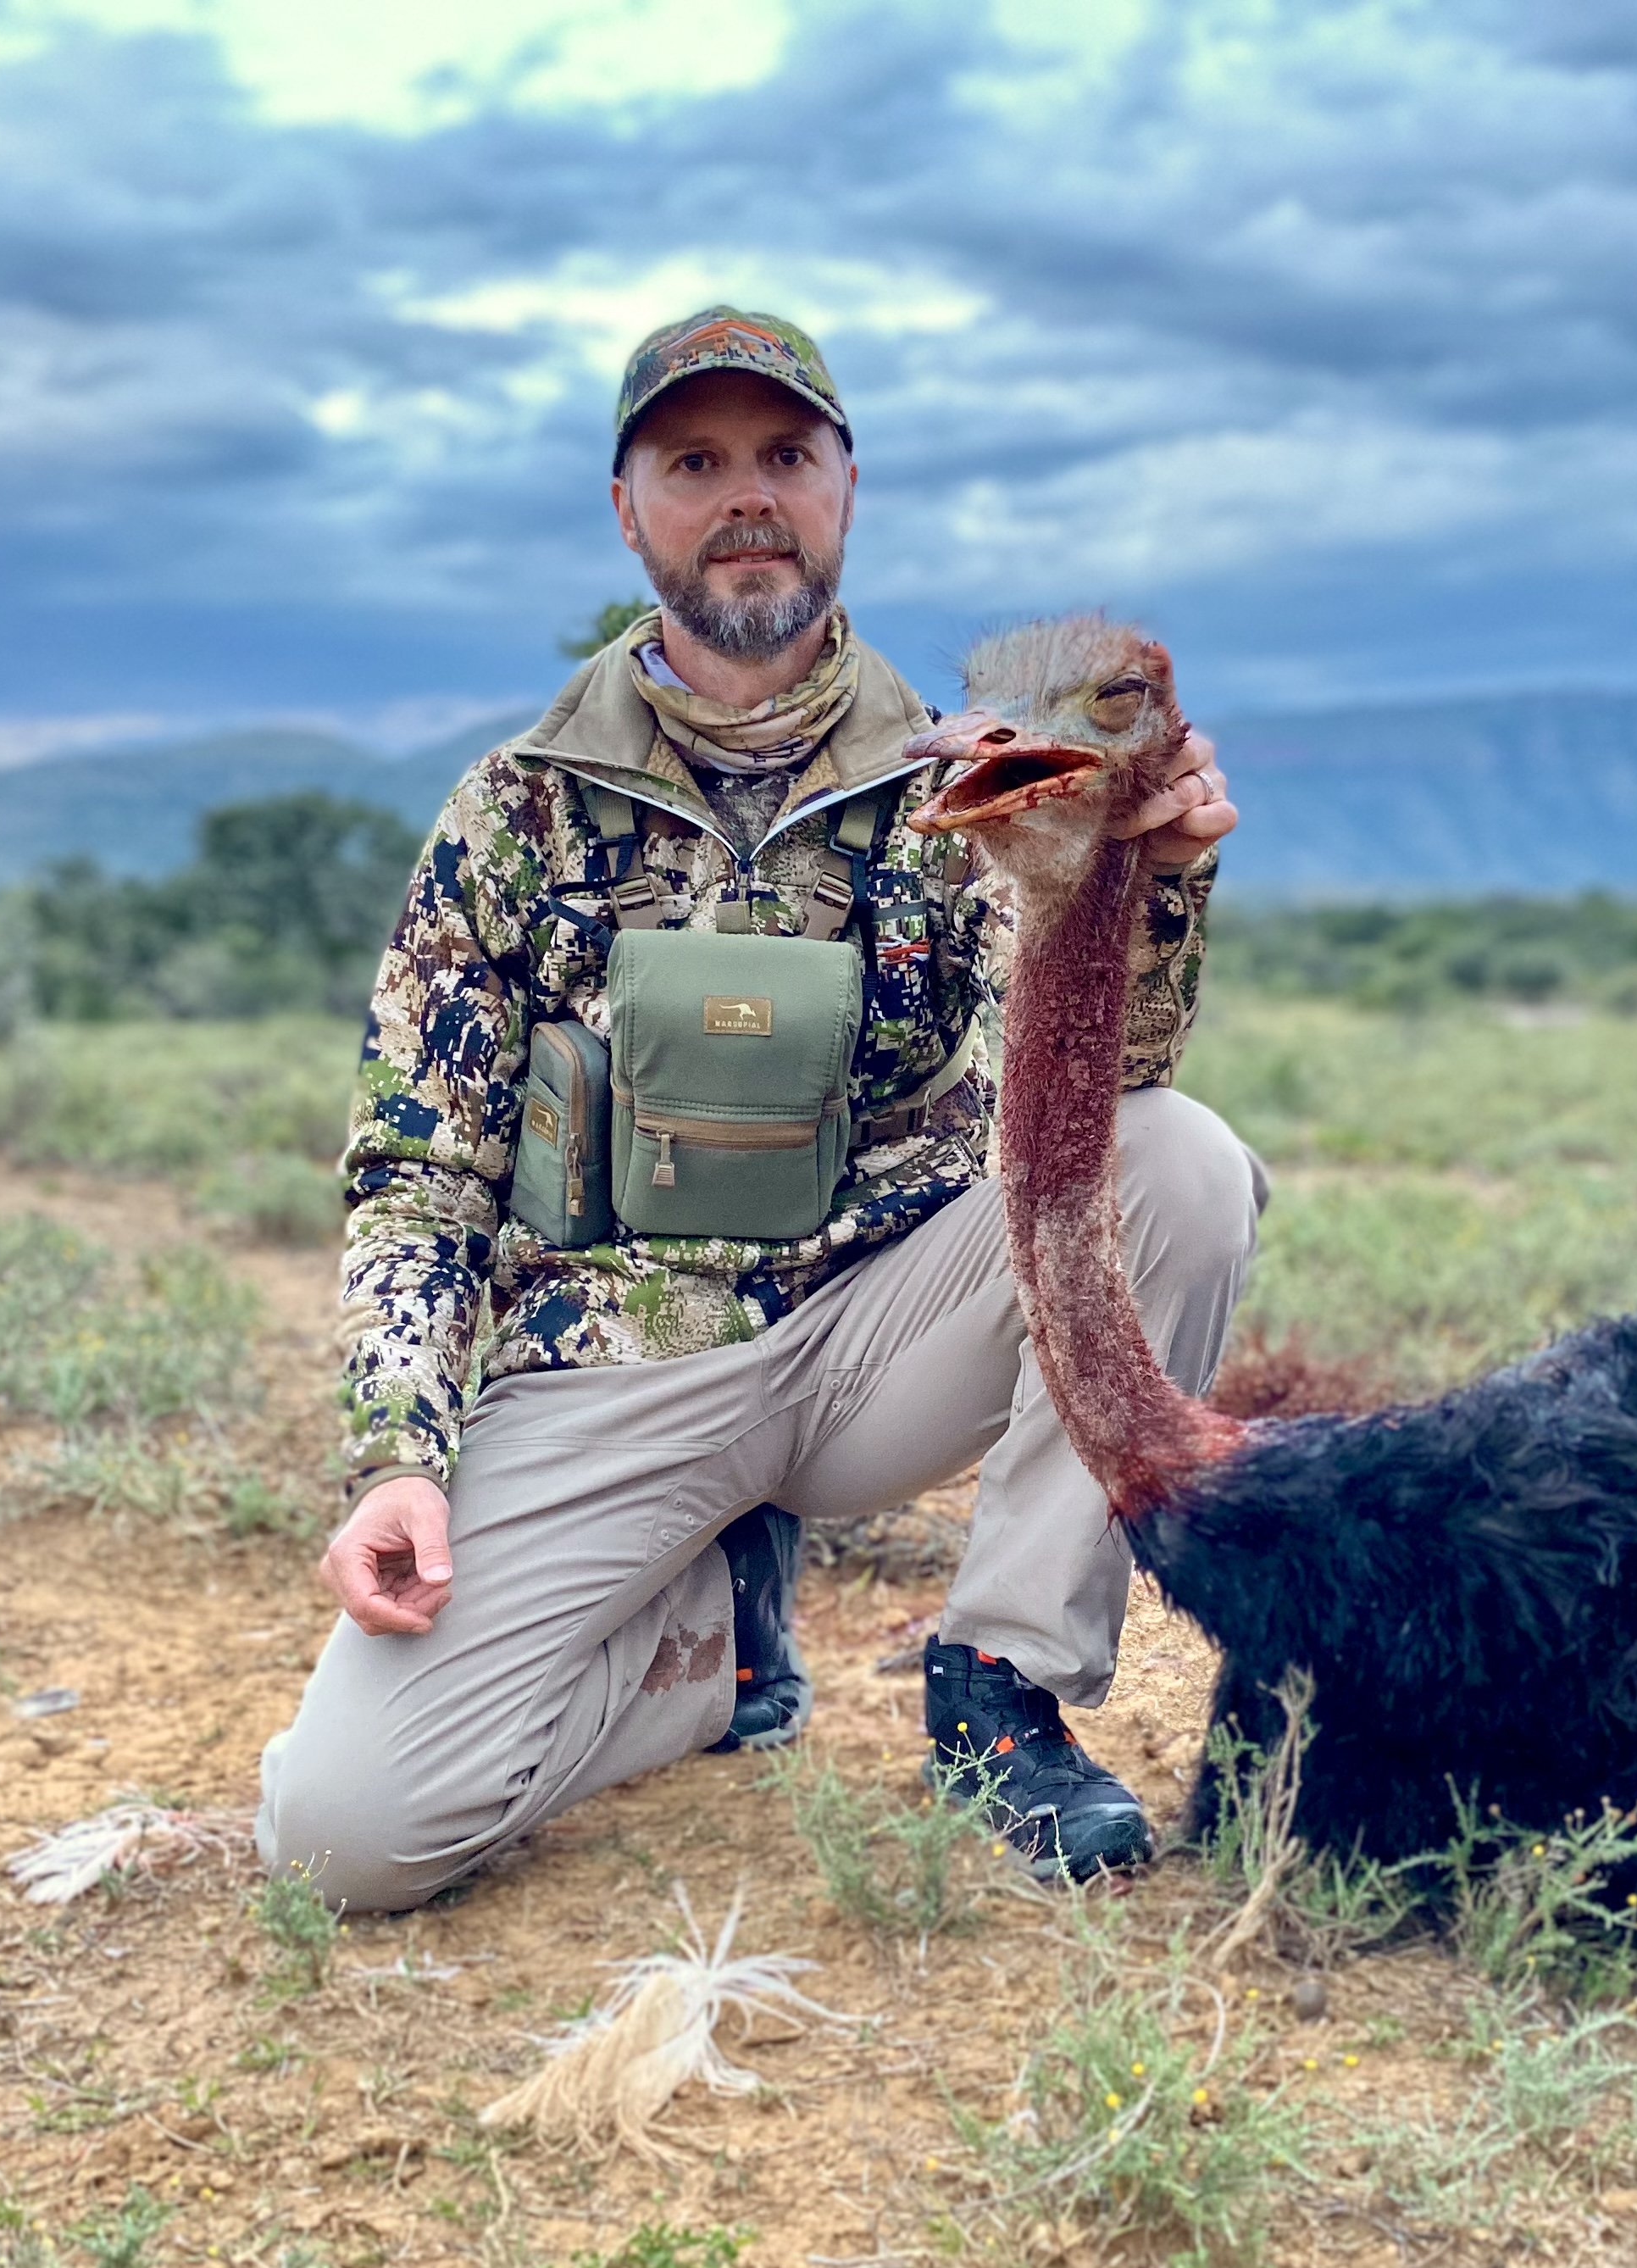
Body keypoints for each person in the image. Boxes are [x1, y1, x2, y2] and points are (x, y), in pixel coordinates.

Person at [253, 306, 1257, 1912]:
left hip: (873, 1337)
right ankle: (711, 1657)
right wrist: (398, 1451)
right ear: (627, 506)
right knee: (343, 1842)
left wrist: (1157, 880)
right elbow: (418, 1168)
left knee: (1180, 1168)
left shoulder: (970, 777)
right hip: (610, 1360)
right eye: (694, 462)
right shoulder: (515, 810)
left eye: (784, 458)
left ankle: (1002, 1696)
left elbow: (1096, 1087)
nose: (746, 498)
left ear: (846, 487)